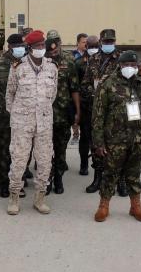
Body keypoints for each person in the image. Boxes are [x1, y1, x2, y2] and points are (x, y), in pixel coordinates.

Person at [92, 50, 141, 222]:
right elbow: (98, 114)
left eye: (133, 65)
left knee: (134, 174)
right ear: (120, 65)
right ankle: (103, 205)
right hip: (115, 139)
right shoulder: (108, 84)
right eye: (126, 65)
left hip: (138, 137)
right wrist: (98, 141)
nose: (129, 68)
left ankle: (135, 206)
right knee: (110, 173)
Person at [5, 30, 57, 215]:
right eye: (37, 46)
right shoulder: (18, 67)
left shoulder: (52, 68)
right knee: (18, 160)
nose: (41, 49)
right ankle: (14, 198)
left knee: (44, 162)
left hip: (43, 123)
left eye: (43, 45)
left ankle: (39, 199)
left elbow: (53, 95)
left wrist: (41, 111)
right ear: (30, 48)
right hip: (22, 122)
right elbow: (9, 94)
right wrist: (18, 115)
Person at [0, 33, 25, 198]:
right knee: (3, 150)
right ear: (9, 46)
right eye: (16, 46)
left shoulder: (27, 63)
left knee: (21, 151)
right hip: (3, 115)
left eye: (22, 46)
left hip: (23, 115)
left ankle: (18, 182)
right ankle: (3, 182)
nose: (20, 49)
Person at [85, 28, 122, 195]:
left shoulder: (122, 59)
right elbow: (85, 83)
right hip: (98, 109)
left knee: (119, 146)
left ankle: (120, 182)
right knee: (97, 144)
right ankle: (97, 179)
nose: (109, 44)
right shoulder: (93, 59)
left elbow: (130, 83)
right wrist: (93, 92)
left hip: (117, 110)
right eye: (106, 42)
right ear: (100, 42)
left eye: (111, 42)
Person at [45, 30, 80, 194]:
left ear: (60, 42)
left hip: (63, 114)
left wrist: (77, 112)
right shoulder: (41, 59)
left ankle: (58, 179)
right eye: (51, 45)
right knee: (44, 150)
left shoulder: (69, 60)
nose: (54, 48)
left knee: (60, 149)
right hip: (44, 114)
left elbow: (74, 88)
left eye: (57, 43)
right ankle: (46, 180)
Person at [75, 35, 100, 177]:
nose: (93, 49)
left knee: (98, 138)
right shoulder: (79, 63)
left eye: (96, 46)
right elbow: (75, 88)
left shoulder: (105, 62)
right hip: (85, 106)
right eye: (90, 46)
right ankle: (84, 164)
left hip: (101, 108)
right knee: (85, 138)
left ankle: (98, 166)